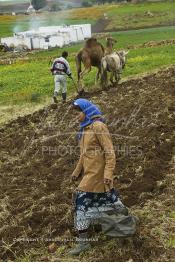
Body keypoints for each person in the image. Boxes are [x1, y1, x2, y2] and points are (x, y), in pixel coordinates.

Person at [69, 98, 128, 256]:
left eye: (78, 112)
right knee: (109, 200)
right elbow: (84, 154)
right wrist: (76, 171)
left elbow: (110, 152)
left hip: (98, 174)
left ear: (87, 111)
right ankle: (121, 216)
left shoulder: (98, 126)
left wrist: (108, 173)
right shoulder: (84, 130)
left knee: (80, 202)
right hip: (89, 173)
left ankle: (83, 243)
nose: (76, 116)